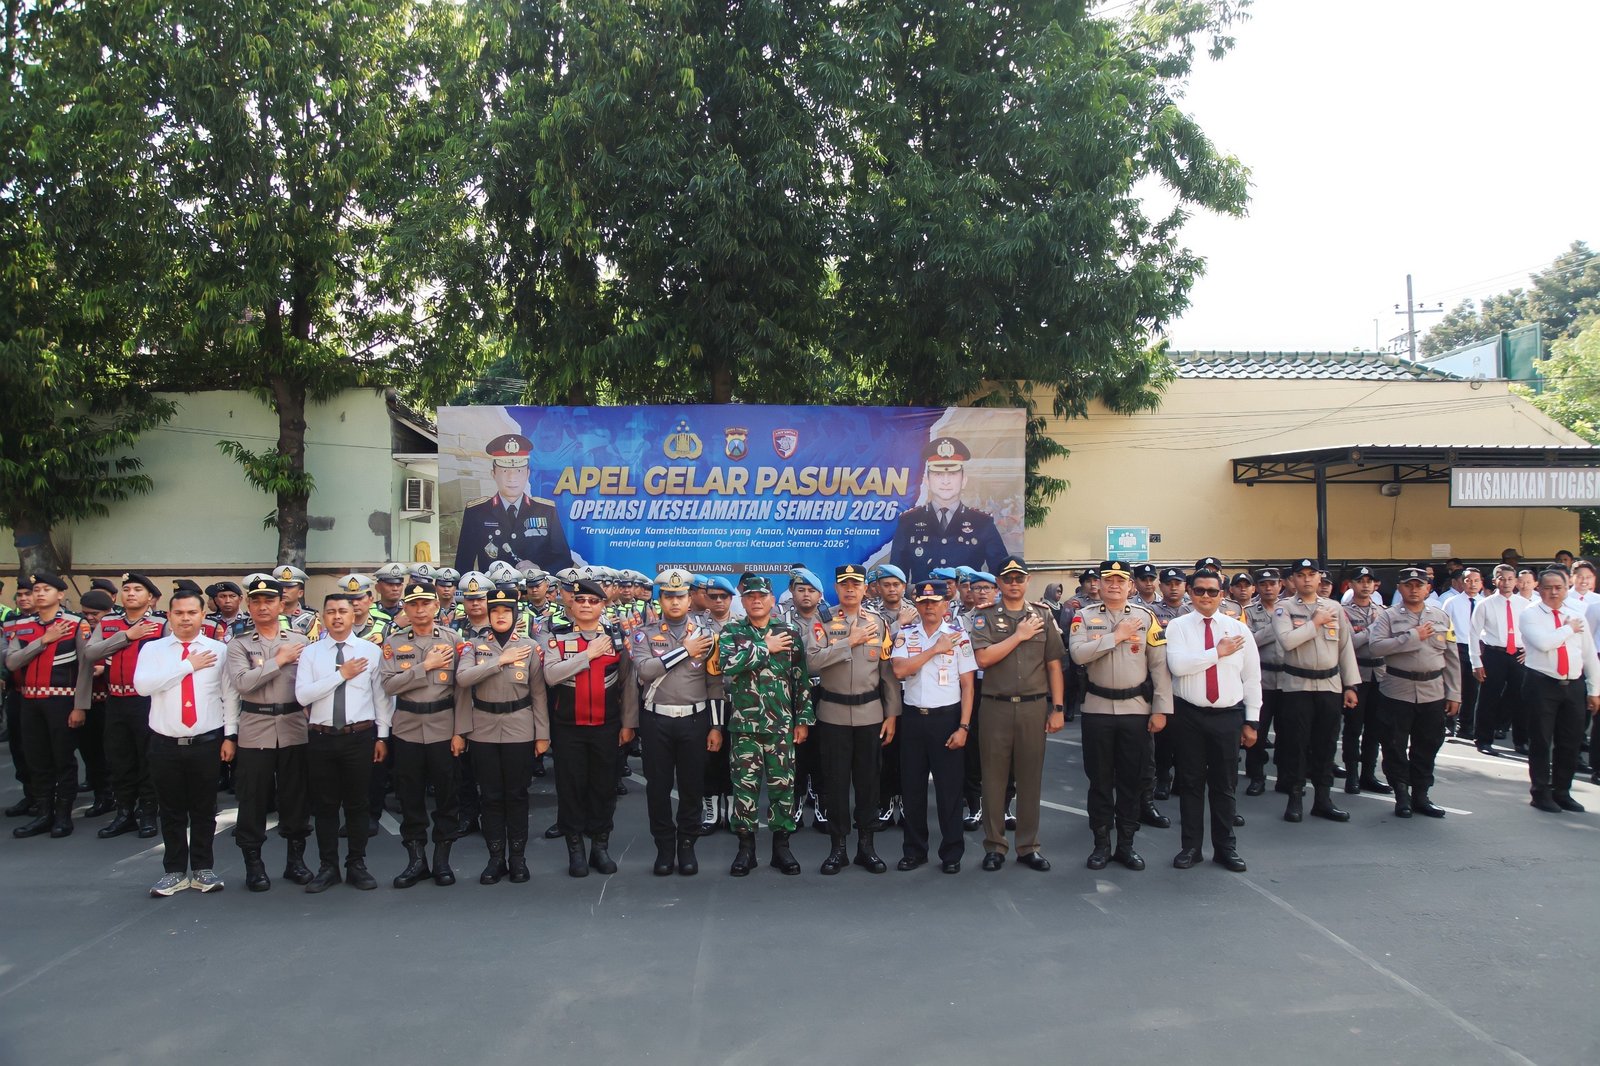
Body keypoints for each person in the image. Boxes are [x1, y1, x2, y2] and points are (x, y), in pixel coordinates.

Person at [1068, 560, 1170, 871]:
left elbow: (1159, 666)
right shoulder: (1084, 616)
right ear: (1098, 584)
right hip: (1097, 709)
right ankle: (1101, 845)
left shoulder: (1145, 617)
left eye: (1120, 580)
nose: (1114, 585)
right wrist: (1116, 636)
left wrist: (1161, 709)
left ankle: (1126, 845)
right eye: (1108, 580)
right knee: (1099, 781)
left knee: (1132, 781)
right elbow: (1078, 654)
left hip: (1135, 710)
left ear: (1130, 586)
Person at [803, 564, 902, 875]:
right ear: (836, 588)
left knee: (868, 783)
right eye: (844, 584)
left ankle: (866, 846)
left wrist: (892, 714)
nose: (849, 589)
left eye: (855, 584)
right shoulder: (822, 621)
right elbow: (811, 663)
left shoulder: (878, 623)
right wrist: (849, 641)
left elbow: (887, 672)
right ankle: (838, 848)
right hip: (832, 714)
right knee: (834, 784)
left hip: (870, 714)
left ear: (864, 589)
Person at [970, 556, 1066, 871]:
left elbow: (1054, 664)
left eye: (1019, 578)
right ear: (999, 583)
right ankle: (995, 846)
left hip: (1033, 707)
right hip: (995, 706)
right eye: (1008, 578)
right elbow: (983, 659)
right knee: (993, 779)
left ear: (1027, 582)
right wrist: (1019, 635)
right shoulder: (984, 616)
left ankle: (1028, 846)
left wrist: (1058, 708)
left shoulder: (1043, 615)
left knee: (1030, 779)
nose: (1013, 583)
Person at [133, 587, 230, 896]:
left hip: (206, 742)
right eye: (179, 613)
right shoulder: (153, 649)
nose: (185, 618)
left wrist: (230, 736)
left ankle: (203, 868)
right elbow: (143, 686)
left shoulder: (219, 650)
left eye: (192, 612)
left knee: (204, 809)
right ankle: (174, 871)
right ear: (169, 615)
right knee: (171, 809)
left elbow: (229, 697)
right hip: (165, 743)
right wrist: (188, 665)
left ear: (203, 614)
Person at [717, 573, 814, 876]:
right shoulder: (732, 631)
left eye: (762, 596)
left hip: (781, 726)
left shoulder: (789, 633)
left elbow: (800, 678)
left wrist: (803, 719)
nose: (756, 601)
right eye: (750, 596)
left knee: (783, 788)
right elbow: (726, 665)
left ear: (772, 600)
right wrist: (764, 646)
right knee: (744, 790)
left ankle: (781, 848)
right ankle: (745, 850)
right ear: (743, 601)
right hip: (744, 727)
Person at [1162, 568, 1259, 871]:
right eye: (1200, 590)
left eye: (1212, 591)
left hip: (1228, 716)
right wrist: (1217, 652)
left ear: (1222, 594)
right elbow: (1178, 666)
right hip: (1189, 714)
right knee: (1190, 783)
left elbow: (1252, 678)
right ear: (1190, 592)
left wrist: (1252, 721)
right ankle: (1191, 848)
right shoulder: (1178, 626)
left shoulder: (1238, 629)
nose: (1206, 596)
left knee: (1225, 784)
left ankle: (1225, 848)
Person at [293, 592, 390, 892]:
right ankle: (328, 866)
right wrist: (341, 675)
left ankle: (356, 864)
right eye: (331, 611)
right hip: (321, 737)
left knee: (358, 804)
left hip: (359, 736)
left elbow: (381, 698)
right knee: (325, 806)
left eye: (343, 611)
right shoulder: (311, 653)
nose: (337, 617)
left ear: (353, 615)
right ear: (323, 616)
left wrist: (383, 736)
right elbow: (303, 696)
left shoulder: (370, 651)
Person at [223, 577, 314, 891]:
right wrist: (279, 660)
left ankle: (295, 861)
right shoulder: (239, 644)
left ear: (281, 604)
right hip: (256, 726)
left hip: (294, 726)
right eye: (257, 601)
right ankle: (254, 865)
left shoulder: (300, 640)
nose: (263, 607)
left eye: (269, 601)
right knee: (253, 798)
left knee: (296, 796)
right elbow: (243, 683)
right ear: (249, 605)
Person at [542, 578, 639, 876]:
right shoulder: (557, 638)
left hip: (606, 727)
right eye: (581, 600)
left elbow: (628, 683)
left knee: (603, 788)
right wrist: (588, 655)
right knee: (570, 789)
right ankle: (576, 850)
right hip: (568, 728)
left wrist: (628, 723)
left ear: (602, 605)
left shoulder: (616, 639)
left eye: (593, 601)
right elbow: (551, 676)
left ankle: (600, 846)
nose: (586, 605)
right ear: (571, 604)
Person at [628, 569, 722, 876]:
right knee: (658, 788)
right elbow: (645, 670)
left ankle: (687, 845)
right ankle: (665, 847)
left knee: (692, 786)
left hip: (694, 720)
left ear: (689, 598)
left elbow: (714, 684)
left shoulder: (706, 636)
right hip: (656, 719)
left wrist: (716, 726)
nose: (675, 601)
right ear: (661, 599)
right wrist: (685, 651)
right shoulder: (643, 634)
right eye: (668, 596)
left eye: (680, 596)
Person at [455, 586, 550, 882]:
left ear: (515, 614)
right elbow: (463, 680)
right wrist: (500, 661)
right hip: (483, 727)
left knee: (517, 795)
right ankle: (495, 858)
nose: (499, 616)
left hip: (519, 726)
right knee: (491, 796)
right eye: (494, 611)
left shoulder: (530, 647)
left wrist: (542, 734)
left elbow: (538, 693)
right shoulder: (473, 646)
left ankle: (518, 858)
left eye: (505, 611)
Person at [380, 579, 462, 888]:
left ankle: (442, 859)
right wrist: (424, 667)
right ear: (406, 608)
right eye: (413, 604)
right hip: (408, 728)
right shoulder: (394, 642)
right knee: (410, 796)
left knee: (446, 796)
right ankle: (416, 860)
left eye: (425, 603)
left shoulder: (453, 640)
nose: (419, 609)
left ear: (436, 606)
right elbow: (388, 685)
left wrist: (460, 731)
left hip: (444, 725)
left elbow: (463, 689)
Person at [892, 578, 976, 872]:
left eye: (935, 601)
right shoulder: (906, 635)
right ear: (916, 604)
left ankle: (952, 853)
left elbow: (968, 686)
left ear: (945, 605)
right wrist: (934, 650)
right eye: (924, 602)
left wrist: (963, 727)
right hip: (914, 718)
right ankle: (915, 851)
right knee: (912, 788)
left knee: (949, 790)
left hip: (947, 719)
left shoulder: (958, 636)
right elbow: (899, 670)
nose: (929, 606)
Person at [1366, 567, 1463, 818]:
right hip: (1397, 689)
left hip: (1433, 691)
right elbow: (1376, 647)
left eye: (1419, 585)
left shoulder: (1440, 616)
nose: (1414, 590)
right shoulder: (1388, 617)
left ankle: (1421, 794)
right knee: (1394, 744)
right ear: (1400, 588)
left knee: (1428, 744)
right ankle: (1401, 794)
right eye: (1408, 585)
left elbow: (1452, 658)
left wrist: (1454, 693)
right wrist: (1411, 636)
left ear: (1428, 588)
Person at [1271, 559, 1360, 824]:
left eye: (1312, 574)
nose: (1307, 579)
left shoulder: (1334, 607)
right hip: (1297, 686)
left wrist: (1350, 685)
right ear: (1293, 580)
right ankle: (1295, 798)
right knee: (1297, 745)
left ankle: (1323, 799)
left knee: (1326, 744)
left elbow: (1345, 648)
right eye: (1301, 575)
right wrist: (1316, 623)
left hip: (1329, 685)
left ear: (1320, 577)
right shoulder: (1284, 608)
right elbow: (1287, 641)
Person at [7, 572, 93, 840]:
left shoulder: (76, 624)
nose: (40, 594)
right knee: (36, 758)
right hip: (30, 701)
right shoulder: (22, 626)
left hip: (62, 700)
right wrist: (43, 640)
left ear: (60, 594)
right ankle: (44, 814)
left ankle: (64, 815)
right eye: (37, 590)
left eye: (46, 589)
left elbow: (85, 667)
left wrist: (80, 706)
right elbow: (12, 662)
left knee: (63, 758)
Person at [1517, 568, 1600, 813]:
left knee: (1570, 741)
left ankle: (1562, 791)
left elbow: (1588, 654)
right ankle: (1540, 792)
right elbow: (1543, 643)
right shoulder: (1530, 614)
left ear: (1566, 588)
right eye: (1548, 588)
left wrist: (1594, 689)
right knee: (1541, 740)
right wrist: (1568, 629)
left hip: (1572, 684)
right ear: (1539, 589)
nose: (1554, 592)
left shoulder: (1576, 615)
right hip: (1542, 683)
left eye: (1559, 587)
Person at [888, 436, 1011, 578]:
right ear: (927, 481)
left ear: (964, 480)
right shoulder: (909, 521)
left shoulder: (982, 522)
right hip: (924, 593)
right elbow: (895, 578)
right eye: (938, 474)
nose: (945, 481)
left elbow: (1001, 575)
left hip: (966, 593)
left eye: (952, 474)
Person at [454, 432, 575, 573]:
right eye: (505, 471)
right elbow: (463, 565)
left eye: (518, 470)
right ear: (493, 474)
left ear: (527, 474)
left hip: (534, 586)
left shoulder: (546, 511)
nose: (512, 478)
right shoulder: (476, 512)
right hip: (493, 587)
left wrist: (539, 569)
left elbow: (564, 559)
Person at [782, 568, 830, 833]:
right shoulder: (782, 620)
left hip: (824, 690)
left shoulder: (830, 618)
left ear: (820, 595)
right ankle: (796, 805)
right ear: (793, 592)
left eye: (811, 591)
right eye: (801, 590)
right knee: (796, 753)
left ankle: (822, 807)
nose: (806, 595)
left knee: (823, 752)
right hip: (793, 691)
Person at [1341, 566, 1392, 795]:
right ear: (1351, 584)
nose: (1365, 585)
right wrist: (1373, 630)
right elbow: (1349, 643)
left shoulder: (1383, 611)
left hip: (1380, 674)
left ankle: (1368, 775)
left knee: (1375, 728)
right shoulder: (1343, 612)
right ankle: (1351, 774)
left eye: (1369, 581)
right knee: (1353, 728)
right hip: (1356, 674)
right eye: (1360, 581)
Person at [1470, 564, 1527, 757]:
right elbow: (1473, 633)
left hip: (1518, 655)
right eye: (1502, 578)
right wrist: (1476, 662)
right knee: (1488, 697)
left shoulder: (1524, 604)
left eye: (1510, 579)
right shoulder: (1485, 604)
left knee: (1521, 697)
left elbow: (1531, 629)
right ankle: (1483, 740)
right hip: (1494, 654)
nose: (1506, 583)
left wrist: (1529, 649)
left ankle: (1521, 741)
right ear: (1495, 581)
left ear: (1516, 581)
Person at [1242, 569, 1284, 796]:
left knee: (1288, 732)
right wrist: (1277, 626)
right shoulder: (1248, 612)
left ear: (1280, 585)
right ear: (1256, 587)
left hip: (1288, 679)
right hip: (1262, 679)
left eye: (1272, 583)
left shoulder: (1289, 609)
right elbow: (1250, 642)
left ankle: (1286, 777)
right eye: (1263, 584)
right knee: (1258, 729)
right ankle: (1257, 775)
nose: (1268, 588)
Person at [1443, 567, 1482, 738]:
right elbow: (1444, 626)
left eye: (1476, 581)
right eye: (1468, 580)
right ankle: (1448, 723)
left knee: (1472, 690)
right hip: (1457, 647)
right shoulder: (1452, 602)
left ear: (1481, 583)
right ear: (1462, 583)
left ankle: (1465, 727)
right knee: (1453, 686)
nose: (1472, 584)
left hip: (1477, 648)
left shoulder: (1484, 602)